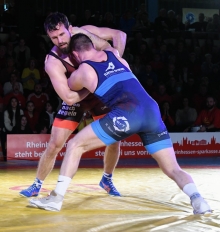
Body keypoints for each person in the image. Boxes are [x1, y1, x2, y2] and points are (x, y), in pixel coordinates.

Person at [29, 33, 212, 215]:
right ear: (92, 46)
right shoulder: (116, 55)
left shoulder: (83, 70)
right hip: (152, 111)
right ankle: (198, 200)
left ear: (75, 55)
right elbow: (117, 43)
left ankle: (55, 198)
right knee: (173, 168)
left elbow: (69, 89)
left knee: (75, 145)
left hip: (128, 114)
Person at [19, 12, 127, 198]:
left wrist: (114, 67)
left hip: (99, 96)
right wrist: (92, 85)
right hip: (77, 98)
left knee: (114, 139)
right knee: (54, 144)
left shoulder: (87, 34)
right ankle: (37, 184)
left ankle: (106, 179)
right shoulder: (53, 61)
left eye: (62, 34)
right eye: (54, 37)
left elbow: (120, 36)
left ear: (70, 29)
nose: (59, 41)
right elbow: (68, 98)